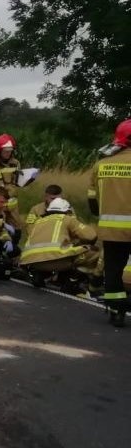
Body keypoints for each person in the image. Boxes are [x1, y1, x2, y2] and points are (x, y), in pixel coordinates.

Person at [88, 118, 131, 327]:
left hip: (112, 231)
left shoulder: (101, 165)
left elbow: (92, 202)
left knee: (113, 269)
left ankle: (116, 311)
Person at [19, 197, 100, 288]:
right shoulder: (66, 218)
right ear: (67, 211)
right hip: (57, 261)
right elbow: (91, 235)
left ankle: (42, 274)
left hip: (31, 261)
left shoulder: (39, 221)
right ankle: (73, 280)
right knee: (94, 252)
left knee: (64, 252)